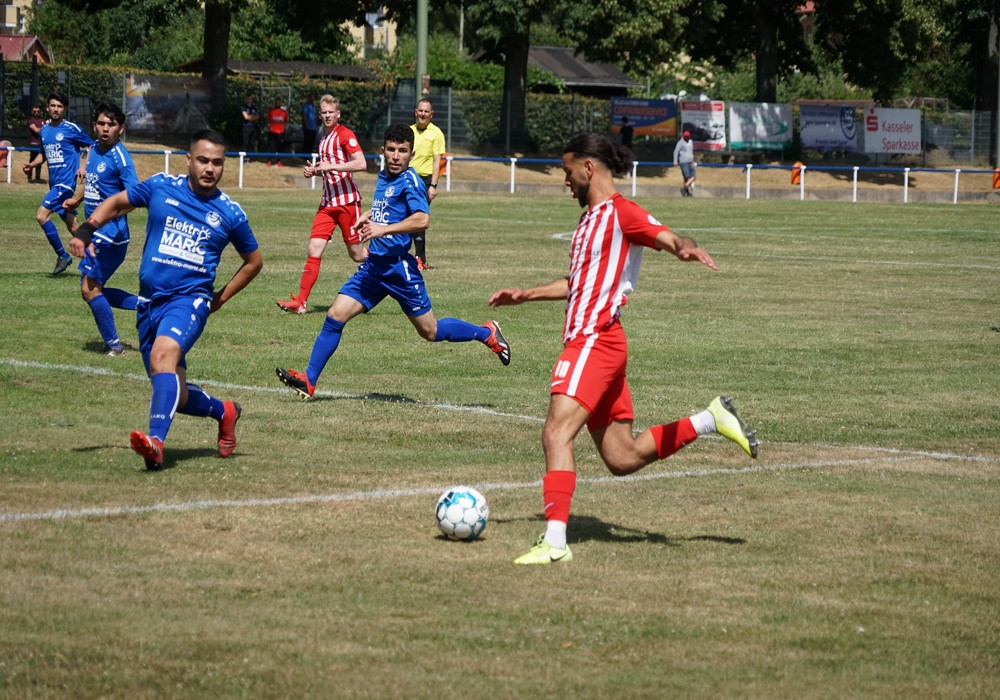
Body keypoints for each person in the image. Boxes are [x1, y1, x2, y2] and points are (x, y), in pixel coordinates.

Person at [487, 133, 759, 565]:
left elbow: (667, 236)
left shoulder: (621, 212)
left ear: (588, 168)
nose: (565, 181)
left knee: (556, 433)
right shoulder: (587, 222)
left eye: (568, 172)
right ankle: (711, 418)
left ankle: (555, 542)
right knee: (622, 457)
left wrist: (684, 247)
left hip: (594, 340)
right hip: (602, 343)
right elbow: (578, 283)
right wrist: (526, 294)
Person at [70, 129, 263, 471]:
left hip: (189, 301)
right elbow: (117, 202)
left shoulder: (229, 213)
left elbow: (254, 261)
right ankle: (225, 411)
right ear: (188, 160)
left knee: (162, 358)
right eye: (203, 160)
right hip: (148, 304)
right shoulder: (161, 186)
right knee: (176, 391)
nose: (210, 168)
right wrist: (87, 230)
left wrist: (219, 299)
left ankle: (156, 443)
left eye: (217, 162)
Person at [275, 122, 510, 400]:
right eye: (391, 150)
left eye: (402, 151)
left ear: (411, 154)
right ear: (383, 150)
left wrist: (382, 229)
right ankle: (309, 381)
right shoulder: (385, 175)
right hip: (374, 267)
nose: (396, 156)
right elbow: (387, 206)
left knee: (430, 331)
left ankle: (486, 333)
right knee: (335, 315)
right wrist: (368, 216)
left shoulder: (410, 181)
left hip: (399, 269)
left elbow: (422, 219)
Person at [276, 95, 367, 315]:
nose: (327, 116)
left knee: (357, 255)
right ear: (320, 114)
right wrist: (314, 171)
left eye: (331, 112)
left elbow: (361, 163)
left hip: (347, 203)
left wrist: (330, 166)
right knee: (314, 248)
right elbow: (328, 170)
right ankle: (300, 302)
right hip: (327, 204)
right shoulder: (323, 138)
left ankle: (392, 264)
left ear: (338, 114)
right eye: (324, 112)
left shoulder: (345, 135)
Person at [65, 102, 140, 356]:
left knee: (89, 289)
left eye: (111, 124)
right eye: (101, 123)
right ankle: (147, 305)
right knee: (93, 289)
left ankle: (115, 346)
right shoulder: (94, 148)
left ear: (121, 128)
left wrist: (104, 219)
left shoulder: (121, 159)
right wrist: (77, 200)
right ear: (95, 126)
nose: (105, 128)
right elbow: (95, 184)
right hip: (95, 232)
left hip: (110, 237)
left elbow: (134, 199)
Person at [22, 92, 93, 276]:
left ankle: (63, 256)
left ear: (64, 109)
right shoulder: (44, 130)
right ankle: (95, 257)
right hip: (54, 185)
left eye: (59, 106)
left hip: (65, 184)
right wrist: (32, 165)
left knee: (41, 216)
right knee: (73, 225)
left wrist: (84, 166)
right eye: (53, 105)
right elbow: (43, 154)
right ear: (47, 108)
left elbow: (92, 145)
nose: (56, 109)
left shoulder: (71, 128)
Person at [409, 98, 446, 270]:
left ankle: (420, 258)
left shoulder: (436, 133)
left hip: (425, 181)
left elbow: (437, 161)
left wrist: (433, 185)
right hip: (408, 179)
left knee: (418, 216)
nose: (423, 114)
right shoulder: (409, 131)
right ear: (415, 112)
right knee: (405, 216)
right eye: (420, 111)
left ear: (431, 114)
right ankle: (412, 257)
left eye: (426, 111)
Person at [266, 96, 288, 167]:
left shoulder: (284, 112)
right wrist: (274, 121)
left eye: (279, 102)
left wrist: (281, 122)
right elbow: (268, 120)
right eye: (277, 102)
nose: (278, 103)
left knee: (279, 147)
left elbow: (286, 121)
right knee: (271, 147)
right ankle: (269, 160)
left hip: (280, 132)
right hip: (272, 131)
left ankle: (278, 161)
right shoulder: (271, 111)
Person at [674, 129, 696, 196]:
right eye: (685, 136)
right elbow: (676, 151)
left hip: (690, 162)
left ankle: (684, 188)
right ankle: (687, 192)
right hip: (684, 162)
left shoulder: (691, 142)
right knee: (686, 177)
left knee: (693, 177)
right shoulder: (680, 143)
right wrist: (675, 160)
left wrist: (693, 160)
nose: (687, 137)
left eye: (688, 136)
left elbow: (691, 151)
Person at [26, 104, 45, 183]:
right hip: (34, 143)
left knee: (39, 161)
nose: (36, 113)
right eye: (34, 111)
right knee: (32, 160)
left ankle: (37, 178)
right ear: (32, 112)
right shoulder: (31, 121)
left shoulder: (43, 120)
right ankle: (29, 177)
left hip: (41, 144)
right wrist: (44, 128)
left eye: (38, 111)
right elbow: (36, 131)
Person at [240, 94, 259, 162]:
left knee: (251, 143)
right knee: (245, 143)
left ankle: (249, 157)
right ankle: (244, 157)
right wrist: (252, 117)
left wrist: (251, 117)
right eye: (248, 99)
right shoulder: (244, 107)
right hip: (246, 127)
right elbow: (246, 117)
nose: (249, 100)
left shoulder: (254, 107)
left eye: (250, 99)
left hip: (253, 127)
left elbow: (257, 116)